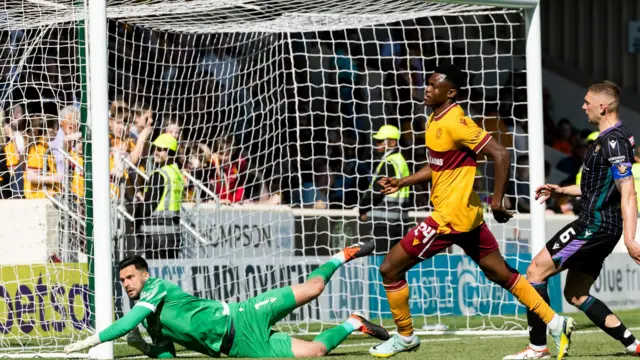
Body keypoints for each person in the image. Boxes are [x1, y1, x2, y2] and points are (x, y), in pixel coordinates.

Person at [369, 64, 575, 359]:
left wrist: (497, 200)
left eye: (433, 85)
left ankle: (405, 336)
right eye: (426, 84)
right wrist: (403, 180)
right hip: (467, 217)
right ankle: (556, 323)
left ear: (450, 92)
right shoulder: (434, 118)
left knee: (389, 269)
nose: (427, 88)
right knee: (501, 273)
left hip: (448, 219)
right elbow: (439, 166)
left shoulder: (457, 121)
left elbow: (500, 153)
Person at [503, 81, 640, 359]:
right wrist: (561, 190)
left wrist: (630, 238)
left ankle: (538, 347)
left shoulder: (613, 141)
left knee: (534, 273)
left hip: (594, 224)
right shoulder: (608, 139)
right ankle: (633, 345)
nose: (583, 106)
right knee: (576, 294)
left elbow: (628, 191)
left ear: (602, 107)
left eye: (587, 101)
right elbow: (599, 185)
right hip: (602, 226)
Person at [64, 244, 390, 358]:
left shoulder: (156, 288)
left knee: (315, 287)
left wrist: (93, 340)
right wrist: (143, 348)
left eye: (130, 278)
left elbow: (127, 322)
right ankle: (354, 322)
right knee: (316, 351)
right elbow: (166, 356)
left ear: (145, 276)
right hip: (239, 347)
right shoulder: (150, 319)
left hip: (243, 315)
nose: (126, 285)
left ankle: (341, 255)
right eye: (122, 282)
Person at [359, 124, 410, 253]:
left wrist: (362, 208)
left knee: (383, 262)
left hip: (385, 221)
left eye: (380, 141)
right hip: (400, 220)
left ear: (392, 142)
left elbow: (377, 191)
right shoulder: (400, 160)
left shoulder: (389, 162)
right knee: (395, 264)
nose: (377, 144)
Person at [137, 133, 184, 259]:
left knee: (156, 275)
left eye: (160, 149)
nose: (155, 152)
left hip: (157, 234)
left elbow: (148, 206)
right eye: (155, 148)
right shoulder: (177, 174)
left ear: (170, 153)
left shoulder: (160, 174)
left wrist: (136, 224)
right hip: (173, 232)